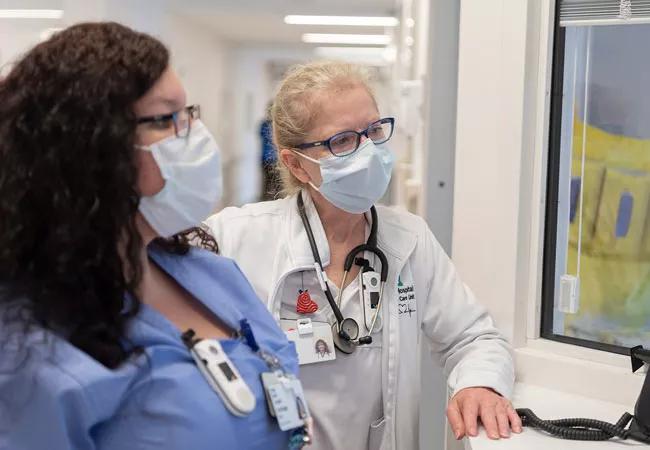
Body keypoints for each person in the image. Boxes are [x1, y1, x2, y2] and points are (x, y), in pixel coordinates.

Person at [0, 23, 307, 450]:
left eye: (188, 113)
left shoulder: (209, 273)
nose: (194, 135)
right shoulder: (30, 345)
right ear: (90, 146)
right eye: (166, 119)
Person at [205, 61, 522, 450]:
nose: (368, 150)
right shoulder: (234, 237)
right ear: (296, 164)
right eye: (342, 140)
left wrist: (481, 384)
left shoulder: (409, 239)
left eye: (373, 130)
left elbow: (473, 336)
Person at [259, 102, 281, 200]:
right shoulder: (267, 125)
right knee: (270, 183)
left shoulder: (265, 125)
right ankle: (268, 200)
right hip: (269, 158)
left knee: (274, 183)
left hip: (273, 158)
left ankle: (272, 200)